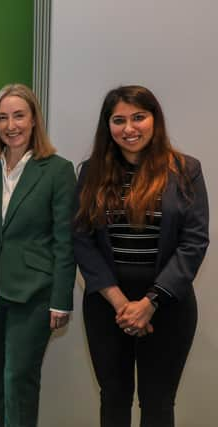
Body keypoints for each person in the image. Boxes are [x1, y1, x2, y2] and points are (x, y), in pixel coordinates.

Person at [73, 85, 209, 427]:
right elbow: (82, 240)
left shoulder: (186, 169)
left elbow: (194, 242)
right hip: (108, 305)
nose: (129, 128)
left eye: (138, 117)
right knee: (114, 400)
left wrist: (150, 302)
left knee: (158, 403)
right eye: (119, 120)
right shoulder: (91, 172)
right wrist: (121, 303)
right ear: (108, 127)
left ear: (154, 119)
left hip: (168, 305)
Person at [0, 83, 76, 427]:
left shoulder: (58, 170)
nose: (10, 125)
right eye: (2, 117)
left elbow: (65, 239)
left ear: (34, 120)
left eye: (19, 115)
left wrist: (61, 298)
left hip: (34, 291)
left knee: (19, 377)